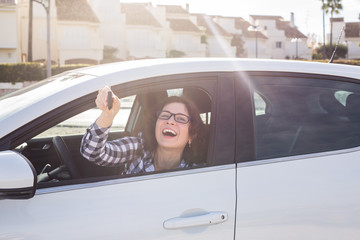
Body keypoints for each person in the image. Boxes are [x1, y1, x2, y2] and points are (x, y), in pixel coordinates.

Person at [80, 86, 207, 175]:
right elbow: (91, 152)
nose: (170, 121)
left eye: (180, 118)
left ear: (192, 135)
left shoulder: (197, 172)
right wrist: (108, 115)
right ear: (156, 124)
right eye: (164, 115)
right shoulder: (138, 147)